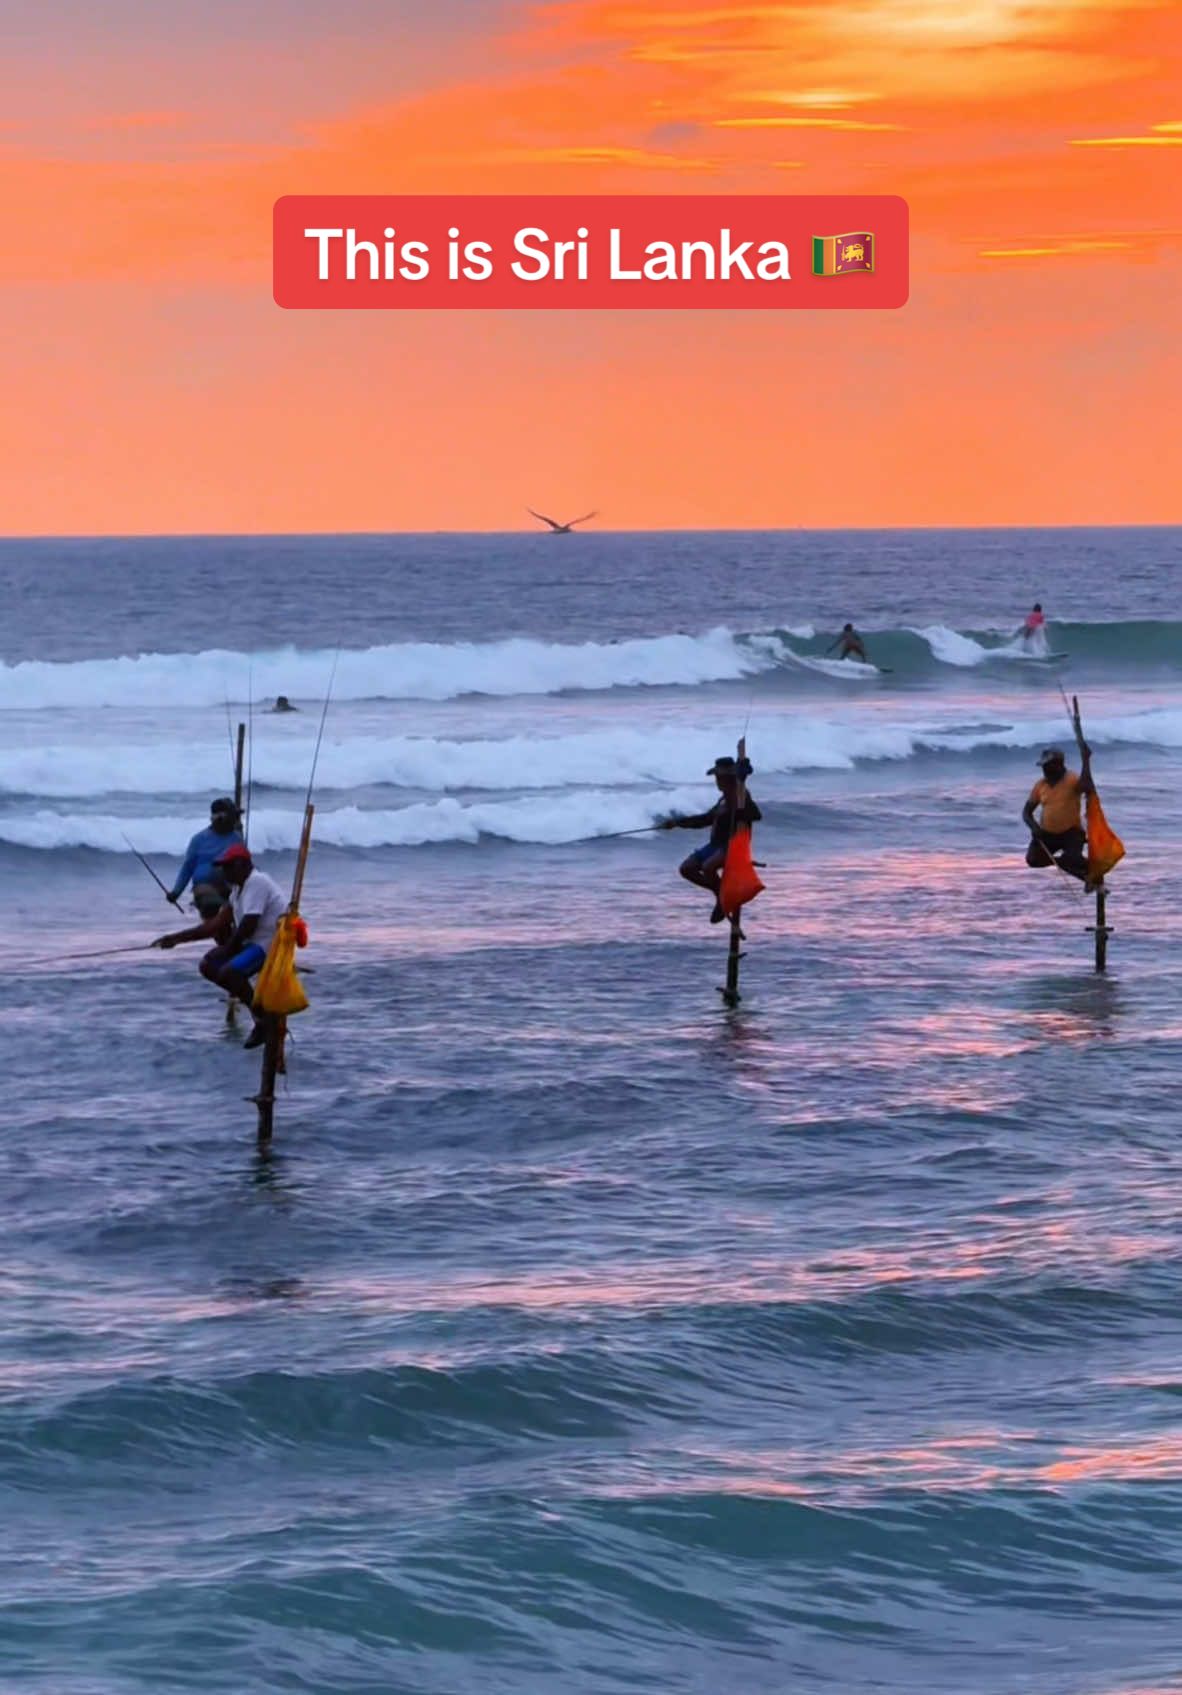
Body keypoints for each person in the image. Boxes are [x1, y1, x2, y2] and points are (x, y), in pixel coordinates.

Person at [153, 843, 287, 1047]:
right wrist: (174, 939)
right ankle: (261, 1016)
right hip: (255, 944)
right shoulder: (237, 891)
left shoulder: (257, 881)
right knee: (208, 965)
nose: (223, 872)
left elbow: (248, 924)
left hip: (272, 945)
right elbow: (213, 926)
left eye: (228, 866)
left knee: (229, 972)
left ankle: (263, 1020)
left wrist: (228, 949)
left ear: (243, 865)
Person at [660, 755, 762, 923]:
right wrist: (677, 823)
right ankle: (721, 894)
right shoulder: (723, 799)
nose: (717, 781)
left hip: (733, 846)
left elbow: (756, 815)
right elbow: (706, 819)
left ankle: (722, 901)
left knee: (708, 867)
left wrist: (740, 803)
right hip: (715, 845)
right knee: (687, 868)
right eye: (716, 777)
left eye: (720, 777)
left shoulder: (740, 794)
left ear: (728, 777)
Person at [1023, 743, 1093, 882]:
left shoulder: (1071, 778)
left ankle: (1080, 867)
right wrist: (1034, 827)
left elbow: (1087, 787)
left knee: (1072, 859)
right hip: (1047, 834)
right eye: (1043, 767)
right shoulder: (1040, 785)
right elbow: (1026, 812)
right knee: (1033, 860)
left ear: (1059, 765)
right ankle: (1077, 866)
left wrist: (1086, 761)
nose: (1044, 770)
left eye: (1048, 766)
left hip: (1071, 833)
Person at [168, 798, 244, 918]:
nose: (235, 820)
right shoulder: (198, 840)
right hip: (205, 886)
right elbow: (188, 868)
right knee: (211, 905)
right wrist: (176, 892)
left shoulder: (237, 839)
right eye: (233, 817)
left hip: (230, 886)